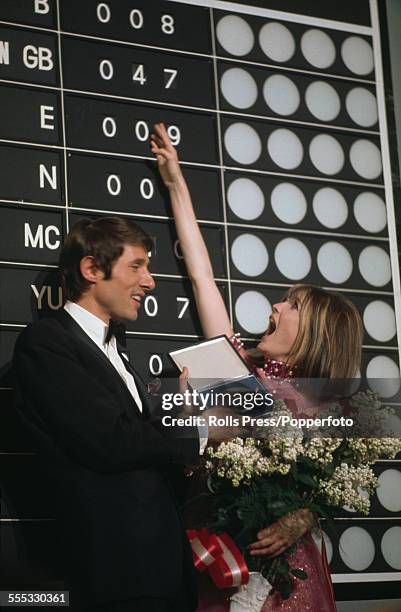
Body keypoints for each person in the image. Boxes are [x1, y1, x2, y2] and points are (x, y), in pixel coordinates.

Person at [150, 123, 364, 611]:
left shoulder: (336, 410)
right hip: (226, 566)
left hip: (290, 581)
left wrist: (304, 515)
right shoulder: (235, 370)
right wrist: (175, 183)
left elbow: (339, 485)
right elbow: (201, 274)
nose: (276, 306)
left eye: (290, 305)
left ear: (313, 333)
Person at [13, 216, 226, 612]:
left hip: (161, 573)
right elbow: (109, 440)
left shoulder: (119, 351)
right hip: (114, 577)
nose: (150, 281)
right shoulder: (44, 344)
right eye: (137, 266)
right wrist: (196, 430)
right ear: (92, 269)